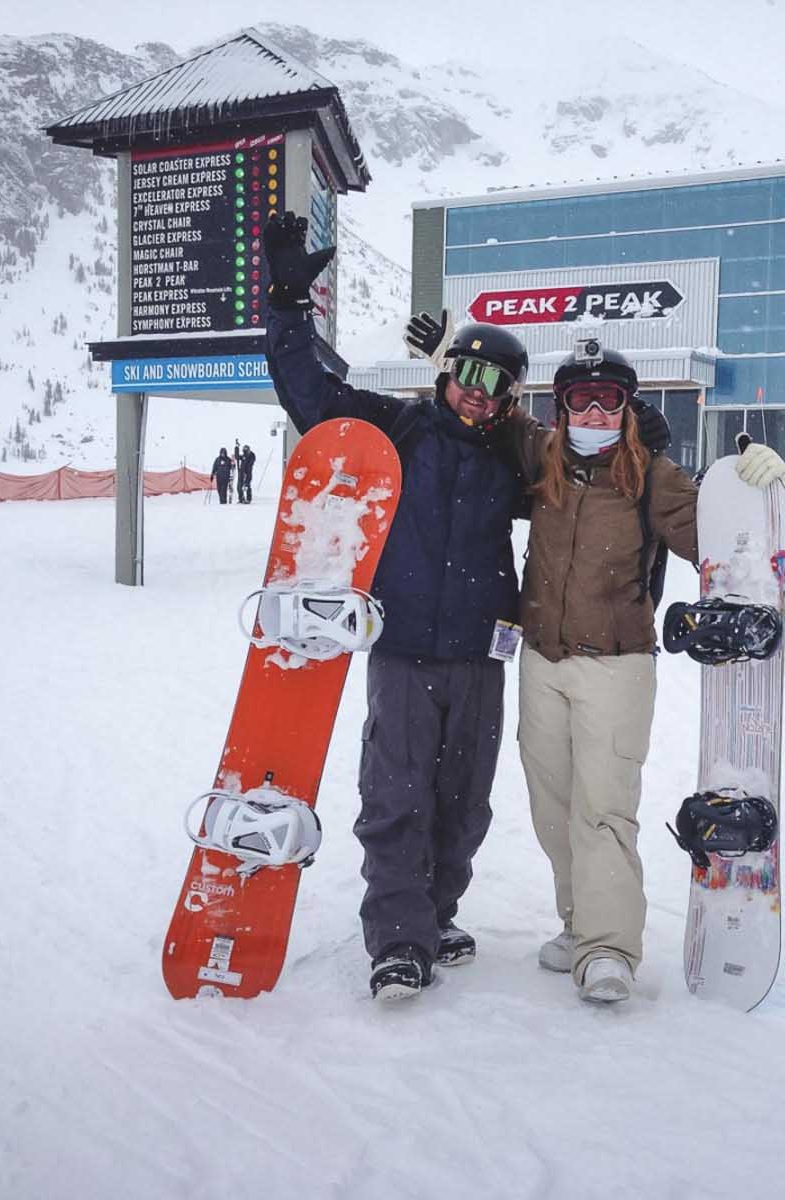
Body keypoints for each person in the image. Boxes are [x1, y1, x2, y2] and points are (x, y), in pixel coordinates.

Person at [261, 211, 541, 1001]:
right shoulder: (399, 429)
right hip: (404, 651)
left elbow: (587, 479)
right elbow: (311, 397)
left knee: (464, 806)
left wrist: (641, 433)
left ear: (511, 399)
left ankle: (435, 913)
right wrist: (286, 307)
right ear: (446, 375)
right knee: (395, 799)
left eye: (497, 384)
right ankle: (398, 940)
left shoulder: (512, 460)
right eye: (468, 374)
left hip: (481, 656)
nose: (478, 392)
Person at [499, 340, 785, 1004]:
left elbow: (716, 536)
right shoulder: (542, 457)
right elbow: (492, 418)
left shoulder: (652, 475)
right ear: (562, 406)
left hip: (616, 666)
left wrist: (757, 486)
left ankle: (608, 949)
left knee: (603, 811)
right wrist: (449, 364)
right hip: (541, 663)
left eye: (609, 399)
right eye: (581, 398)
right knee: (553, 810)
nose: (594, 411)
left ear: (628, 407)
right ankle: (580, 924)